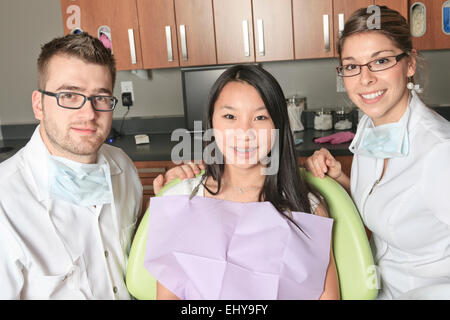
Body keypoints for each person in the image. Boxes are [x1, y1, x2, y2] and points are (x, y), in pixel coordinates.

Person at [142, 64, 340, 300]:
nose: (244, 132)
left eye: (260, 117)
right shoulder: (181, 199)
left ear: (278, 125)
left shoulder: (306, 208)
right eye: (229, 116)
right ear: (211, 123)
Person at [305, 6, 450, 299]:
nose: (365, 78)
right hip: (379, 289)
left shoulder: (439, 152)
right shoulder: (371, 126)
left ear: (409, 64)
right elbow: (385, 203)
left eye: (381, 61)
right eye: (351, 66)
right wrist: (341, 180)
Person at [0, 33, 143, 299]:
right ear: (38, 104)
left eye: (100, 97)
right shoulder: (5, 202)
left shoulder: (123, 167)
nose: (88, 114)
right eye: (68, 95)